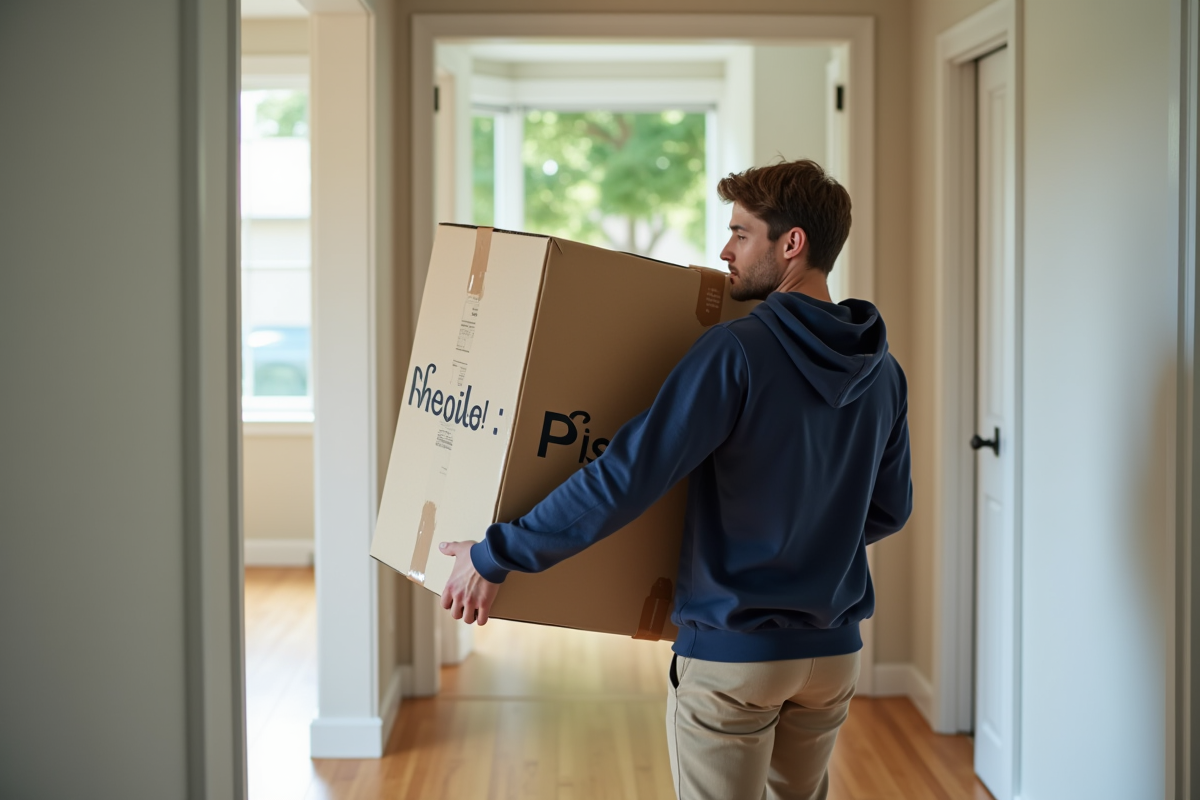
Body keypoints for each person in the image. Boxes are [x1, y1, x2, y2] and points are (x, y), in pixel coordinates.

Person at [438, 159, 912, 800]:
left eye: (742, 233)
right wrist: (809, 539)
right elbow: (887, 510)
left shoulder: (737, 351)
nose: (725, 250)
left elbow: (623, 479)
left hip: (734, 659)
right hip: (833, 657)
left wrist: (496, 555)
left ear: (791, 243)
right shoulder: (884, 374)